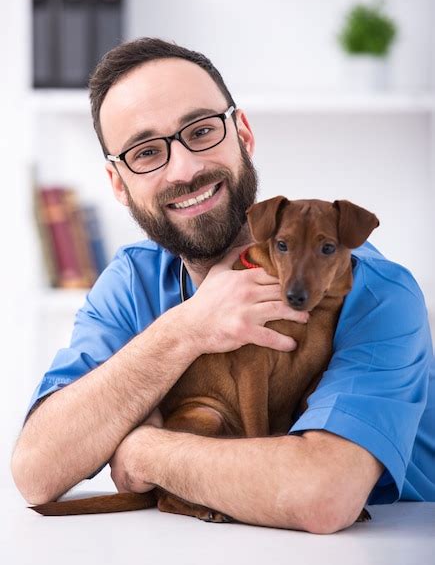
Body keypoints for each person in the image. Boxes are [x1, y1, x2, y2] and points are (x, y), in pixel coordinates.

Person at [11, 38, 434, 534]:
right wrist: (188, 328)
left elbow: (323, 497)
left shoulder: (373, 291)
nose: (185, 169)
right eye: (146, 152)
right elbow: (35, 473)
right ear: (118, 184)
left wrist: (142, 450)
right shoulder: (132, 281)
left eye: (202, 130)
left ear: (244, 136)